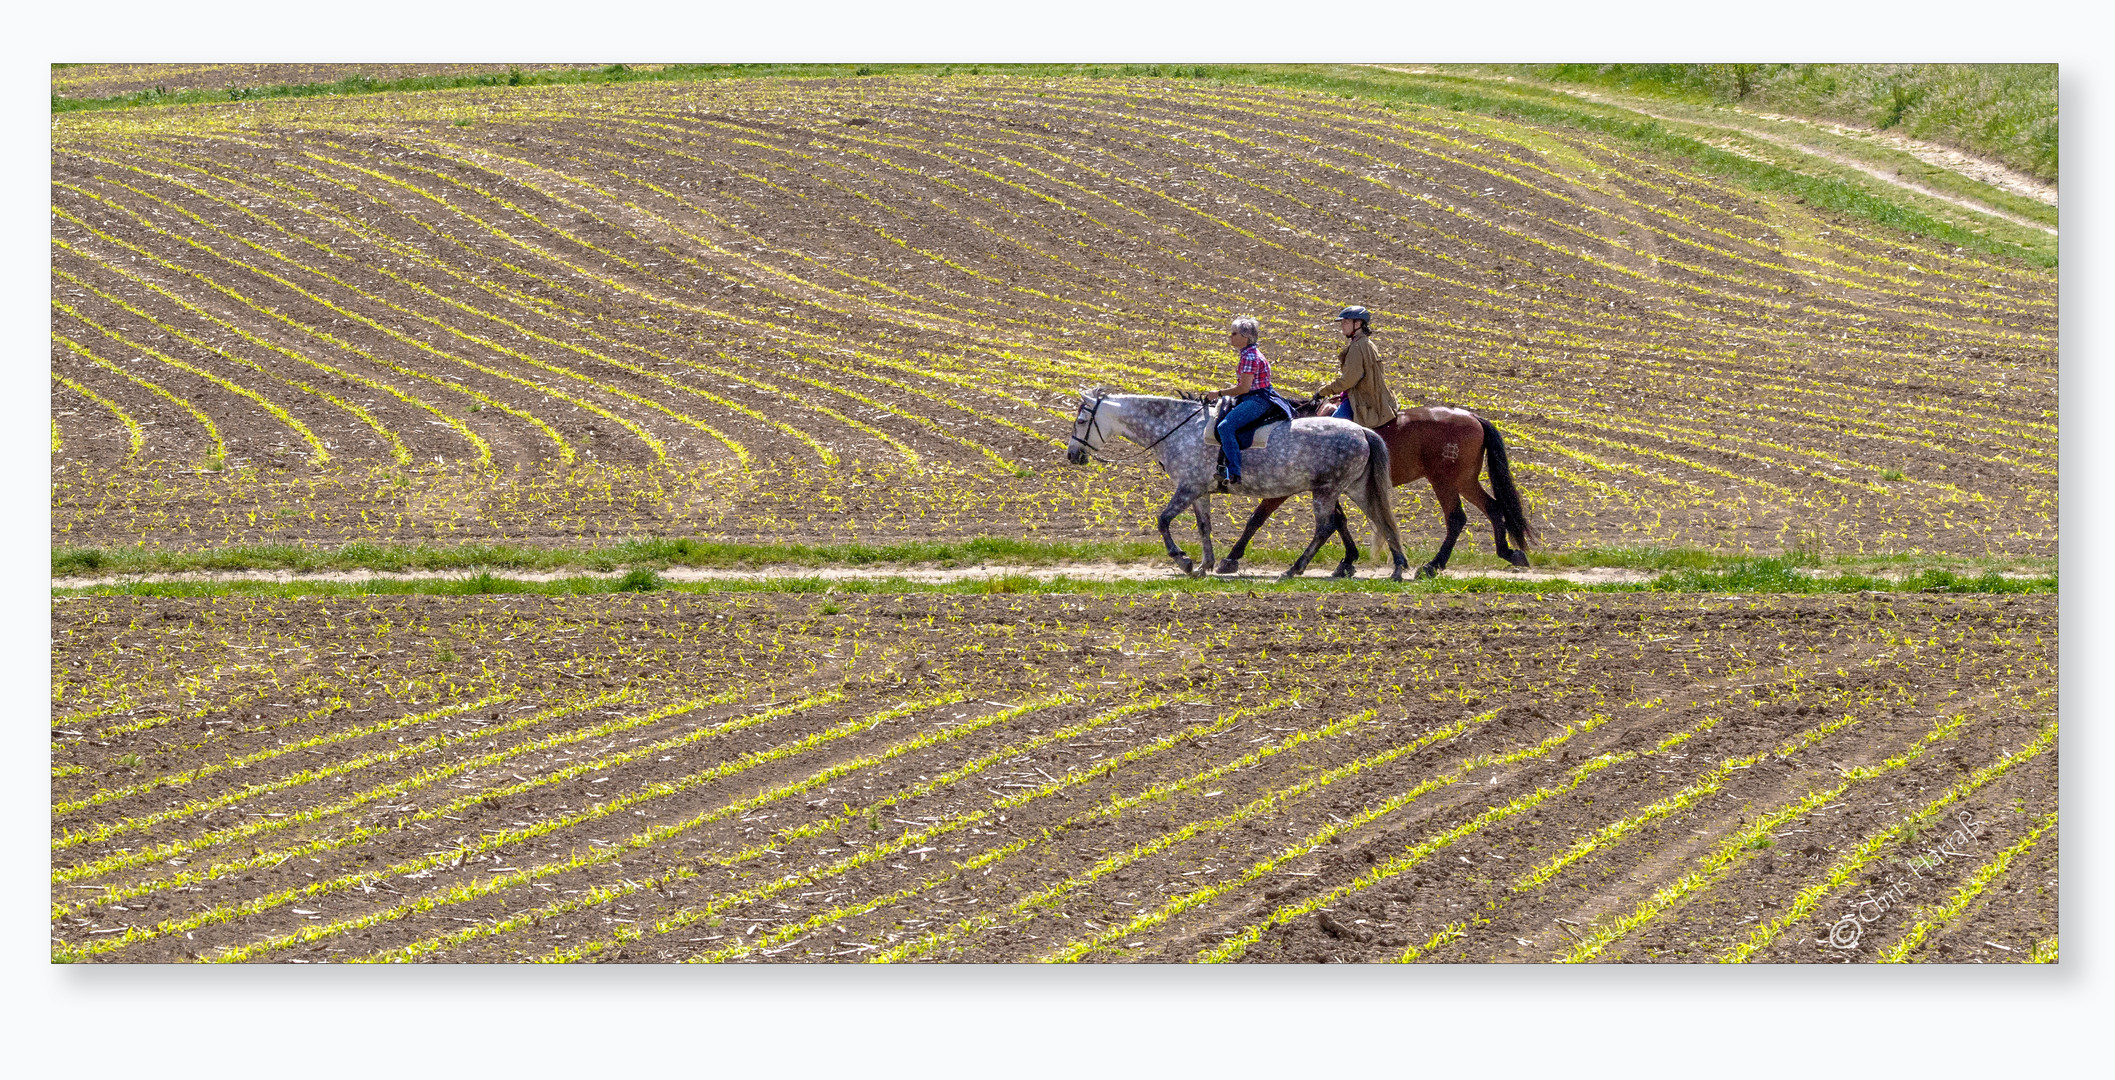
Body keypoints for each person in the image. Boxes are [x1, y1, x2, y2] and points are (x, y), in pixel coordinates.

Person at [1204, 316, 1293, 488]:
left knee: (1225, 427)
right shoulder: (1249, 354)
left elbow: (1244, 388)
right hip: (1256, 396)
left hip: (1257, 399)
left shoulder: (1249, 357)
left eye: (1234, 333)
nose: (1230, 337)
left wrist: (1219, 393)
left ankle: (1234, 472)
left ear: (1245, 337)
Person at [1308, 306, 1399, 429]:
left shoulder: (1357, 347)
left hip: (1363, 403)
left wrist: (1323, 391)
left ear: (1358, 324)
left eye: (1346, 322)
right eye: (1342, 322)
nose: (1342, 325)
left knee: (1330, 428)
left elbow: (1348, 380)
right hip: (1377, 399)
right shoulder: (1367, 343)